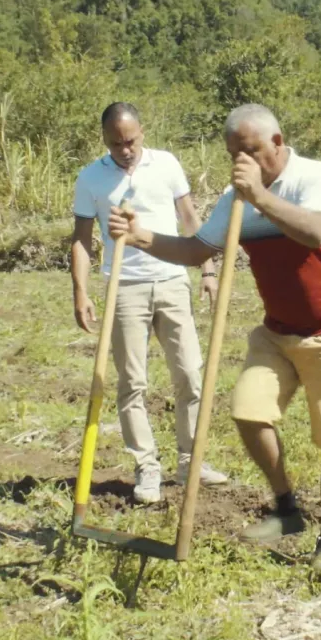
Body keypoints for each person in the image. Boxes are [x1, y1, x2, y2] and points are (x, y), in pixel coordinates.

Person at [107, 103, 321, 573]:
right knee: (248, 413)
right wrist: (141, 235)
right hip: (277, 332)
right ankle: (287, 508)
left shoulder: (315, 177)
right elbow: (196, 249)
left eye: (250, 151)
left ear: (277, 142)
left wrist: (260, 197)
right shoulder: (236, 199)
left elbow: (314, 233)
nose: (242, 162)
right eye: (234, 153)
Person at [71, 102, 230, 505]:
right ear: (104, 139)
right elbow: (81, 238)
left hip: (173, 280)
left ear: (143, 132)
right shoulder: (91, 178)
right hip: (125, 288)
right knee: (132, 383)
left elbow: (191, 220)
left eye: (130, 140)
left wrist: (208, 270)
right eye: (115, 143)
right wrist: (81, 291)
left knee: (191, 375)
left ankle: (190, 460)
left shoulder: (167, 165)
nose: (124, 149)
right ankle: (147, 468)